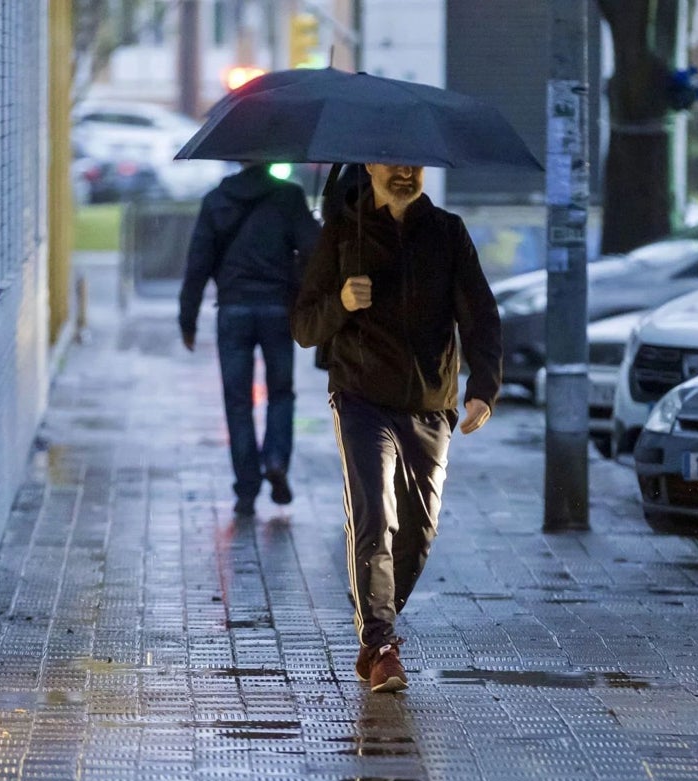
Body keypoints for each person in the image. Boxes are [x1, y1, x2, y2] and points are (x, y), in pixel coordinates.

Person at [291, 163, 502, 693]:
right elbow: (302, 326)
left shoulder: (448, 232)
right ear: (370, 167)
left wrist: (484, 388)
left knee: (419, 530)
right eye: (391, 161)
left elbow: (480, 313)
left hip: (432, 401)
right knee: (375, 516)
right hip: (360, 396)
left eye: (413, 162)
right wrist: (341, 302)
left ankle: (373, 605)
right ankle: (382, 643)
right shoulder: (344, 232)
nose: (404, 171)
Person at [179, 162, 320, 519]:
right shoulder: (289, 197)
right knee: (281, 392)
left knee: (238, 401)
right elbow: (314, 250)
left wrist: (188, 318)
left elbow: (198, 262)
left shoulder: (216, 201)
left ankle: (246, 488)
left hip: (233, 310)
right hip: (277, 310)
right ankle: (275, 459)